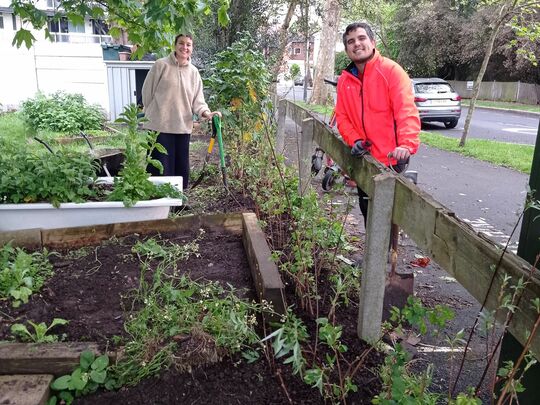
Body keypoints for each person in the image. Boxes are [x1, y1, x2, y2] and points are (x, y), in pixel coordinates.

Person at [334, 22, 420, 226]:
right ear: (347, 50)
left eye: (362, 38)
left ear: (372, 42)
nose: (357, 44)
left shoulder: (391, 71)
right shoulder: (345, 81)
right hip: (364, 158)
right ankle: (372, 257)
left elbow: (406, 111)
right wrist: (354, 140)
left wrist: (407, 145)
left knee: (386, 218)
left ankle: (384, 256)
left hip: (391, 160)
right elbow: (342, 116)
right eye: (351, 42)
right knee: (367, 212)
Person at [142, 33, 221, 190]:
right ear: (175, 45)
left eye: (188, 44)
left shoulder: (194, 73)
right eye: (181, 43)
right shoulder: (160, 65)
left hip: (182, 127)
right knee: (159, 166)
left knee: (180, 167)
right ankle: (158, 203)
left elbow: (198, 101)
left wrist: (206, 113)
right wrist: (155, 113)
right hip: (159, 127)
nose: (185, 47)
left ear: (192, 48)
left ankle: (178, 202)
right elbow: (147, 94)